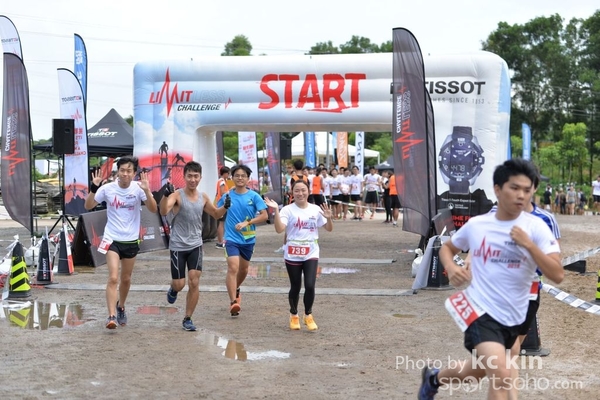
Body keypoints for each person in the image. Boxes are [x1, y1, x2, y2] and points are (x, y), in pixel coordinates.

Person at [418, 158, 562, 400]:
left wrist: (529, 245)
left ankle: (435, 378)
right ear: (498, 189)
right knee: (502, 371)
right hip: (481, 309)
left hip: (520, 305)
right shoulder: (481, 223)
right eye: (514, 188)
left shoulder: (540, 225)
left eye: (526, 190)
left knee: (481, 370)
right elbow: (452, 247)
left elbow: (557, 273)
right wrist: (452, 267)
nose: (521, 195)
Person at [84, 156, 158, 330]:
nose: (125, 174)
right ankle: (111, 316)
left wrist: (147, 191)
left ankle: (121, 306)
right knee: (113, 277)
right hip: (112, 238)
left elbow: (153, 209)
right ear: (117, 171)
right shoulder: (107, 188)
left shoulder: (139, 188)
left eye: (129, 171)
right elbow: (88, 205)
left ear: (134, 173)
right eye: (122, 170)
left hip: (131, 239)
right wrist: (94, 188)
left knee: (126, 278)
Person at [160, 161, 229, 331]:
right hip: (178, 246)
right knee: (180, 284)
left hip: (195, 245)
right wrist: (165, 196)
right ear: (184, 177)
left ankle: (188, 318)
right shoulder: (177, 195)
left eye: (195, 176)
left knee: (194, 281)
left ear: (200, 178)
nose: (192, 179)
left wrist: (225, 207)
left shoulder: (203, 197)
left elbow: (215, 214)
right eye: (189, 176)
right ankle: (173, 289)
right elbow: (163, 211)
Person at [264, 179, 333, 331]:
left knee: (310, 285)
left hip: (311, 252)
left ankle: (308, 315)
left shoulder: (316, 209)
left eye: (303, 190)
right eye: (297, 190)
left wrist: (328, 217)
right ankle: (294, 314)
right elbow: (279, 229)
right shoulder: (287, 210)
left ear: (308, 191)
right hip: (293, 253)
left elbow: (329, 229)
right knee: (295, 286)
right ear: (292, 193)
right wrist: (276, 211)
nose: (300, 193)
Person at [217, 164, 268, 316]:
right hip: (230, 238)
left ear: (248, 178)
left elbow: (264, 215)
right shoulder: (227, 196)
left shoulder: (254, 196)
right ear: (232, 178)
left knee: (244, 269)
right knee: (233, 267)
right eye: (237, 175)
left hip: (248, 239)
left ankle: (236, 288)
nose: (240, 178)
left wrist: (248, 222)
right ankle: (233, 302)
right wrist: (223, 207)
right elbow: (217, 213)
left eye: (243, 176)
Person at [214, 166, 232, 249]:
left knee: (222, 223)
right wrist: (230, 191)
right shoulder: (222, 182)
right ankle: (221, 242)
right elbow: (222, 192)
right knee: (221, 223)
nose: (229, 175)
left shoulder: (220, 181)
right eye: (228, 173)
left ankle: (221, 241)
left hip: (220, 203)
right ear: (225, 173)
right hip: (222, 204)